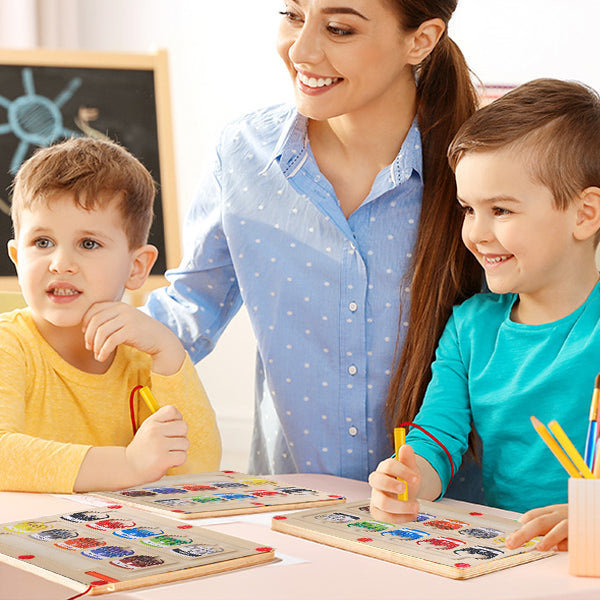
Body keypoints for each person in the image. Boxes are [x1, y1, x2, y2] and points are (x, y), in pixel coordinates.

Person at [145, 0, 482, 482]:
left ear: (420, 40)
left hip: (453, 525)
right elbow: (187, 311)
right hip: (293, 509)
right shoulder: (244, 153)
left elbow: (539, 321)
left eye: (340, 29)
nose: (300, 50)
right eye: (292, 16)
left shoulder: (478, 168)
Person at [369, 78, 600, 551]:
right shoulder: (470, 326)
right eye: (467, 209)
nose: (476, 232)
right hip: (511, 554)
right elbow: (438, 435)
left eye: (501, 210)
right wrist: (410, 477)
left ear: (585, 214)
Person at [0, 137, 221, 494]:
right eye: (42, 242)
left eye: (88, 244)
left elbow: (198, 469)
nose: (60, 264)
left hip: (117, 540)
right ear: (16, 256)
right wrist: (129, 465)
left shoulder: (143, 356)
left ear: (136, 267)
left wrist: (168, 351)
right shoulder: (9, 345)